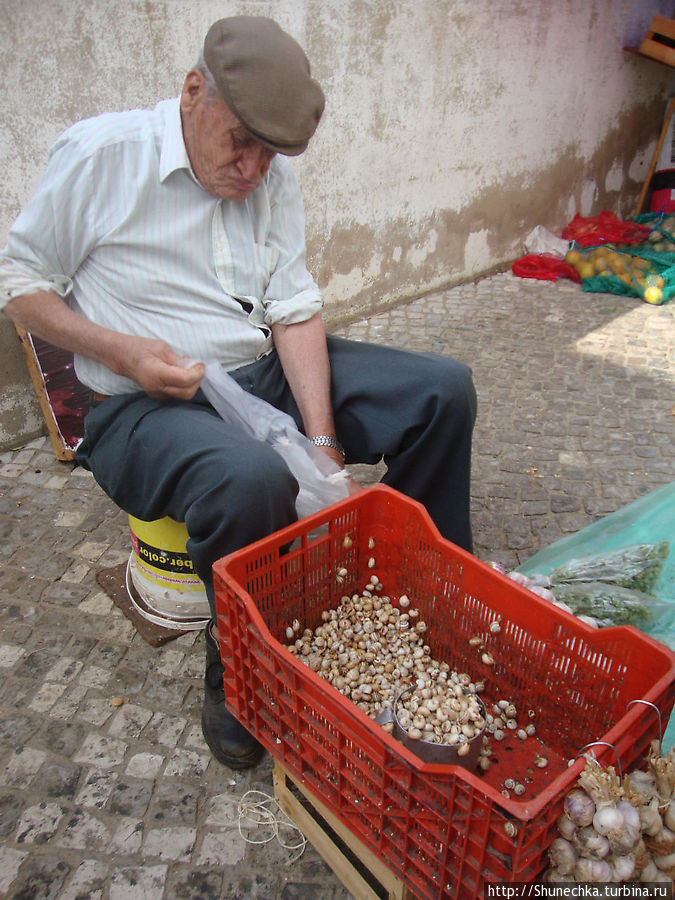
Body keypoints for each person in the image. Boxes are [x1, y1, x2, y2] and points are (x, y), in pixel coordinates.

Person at [0, 16, 477, 770]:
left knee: (440, 391)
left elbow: (291, 306)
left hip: (252, 378)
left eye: (270, 153)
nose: (253, 169)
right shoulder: (103, 155)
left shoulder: (268, 177)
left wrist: (321, 444)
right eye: (239, 143)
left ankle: (421, 593)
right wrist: (120, 351)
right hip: (139, 405)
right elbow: (19, 283)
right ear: (193, 92)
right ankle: (238, 676)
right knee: (249, 478)